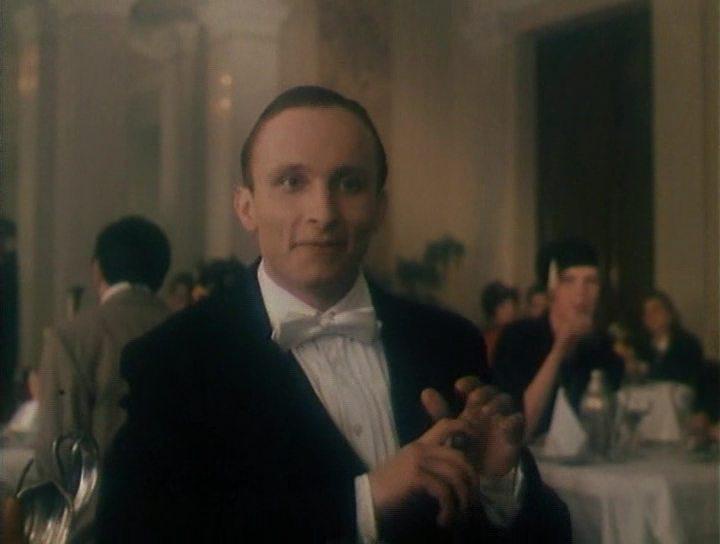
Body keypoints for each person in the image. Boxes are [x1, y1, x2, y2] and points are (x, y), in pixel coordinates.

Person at [96, 86, 569, 542]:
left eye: (350, 184)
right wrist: (363, 503)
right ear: (246, 206)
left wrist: (500, 485)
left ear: (379, 208)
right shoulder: (173, 360)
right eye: (291, 182)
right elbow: (136, 533)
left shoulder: (448, 341)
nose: (323, 213)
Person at [34, 216, 171, 485]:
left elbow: (56, 452)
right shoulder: (194, 331)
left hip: (100, 506)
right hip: (182, 505)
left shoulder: (70, 337)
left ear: (97, 269)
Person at [493, 238, 624, 440]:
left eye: (591, 281)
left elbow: (610, 425)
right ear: (551, 290)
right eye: (569, 280)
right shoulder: (517, 337)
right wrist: (560, 348)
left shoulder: (601, 345)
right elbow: (517, 431)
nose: (581, 293)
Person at [637, 290, 704, 388]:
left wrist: (643, 369)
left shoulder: (688, 344)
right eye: (645, 313)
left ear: (669, 315)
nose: (649, 316)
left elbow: (681, 377)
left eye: (655, 310)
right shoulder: (641, 346)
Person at [480, 281, 519, 365]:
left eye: (512, 306)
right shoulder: (486, 339)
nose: (510, 311)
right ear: (492, 309)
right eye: (503, 307)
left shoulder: (519, 333)